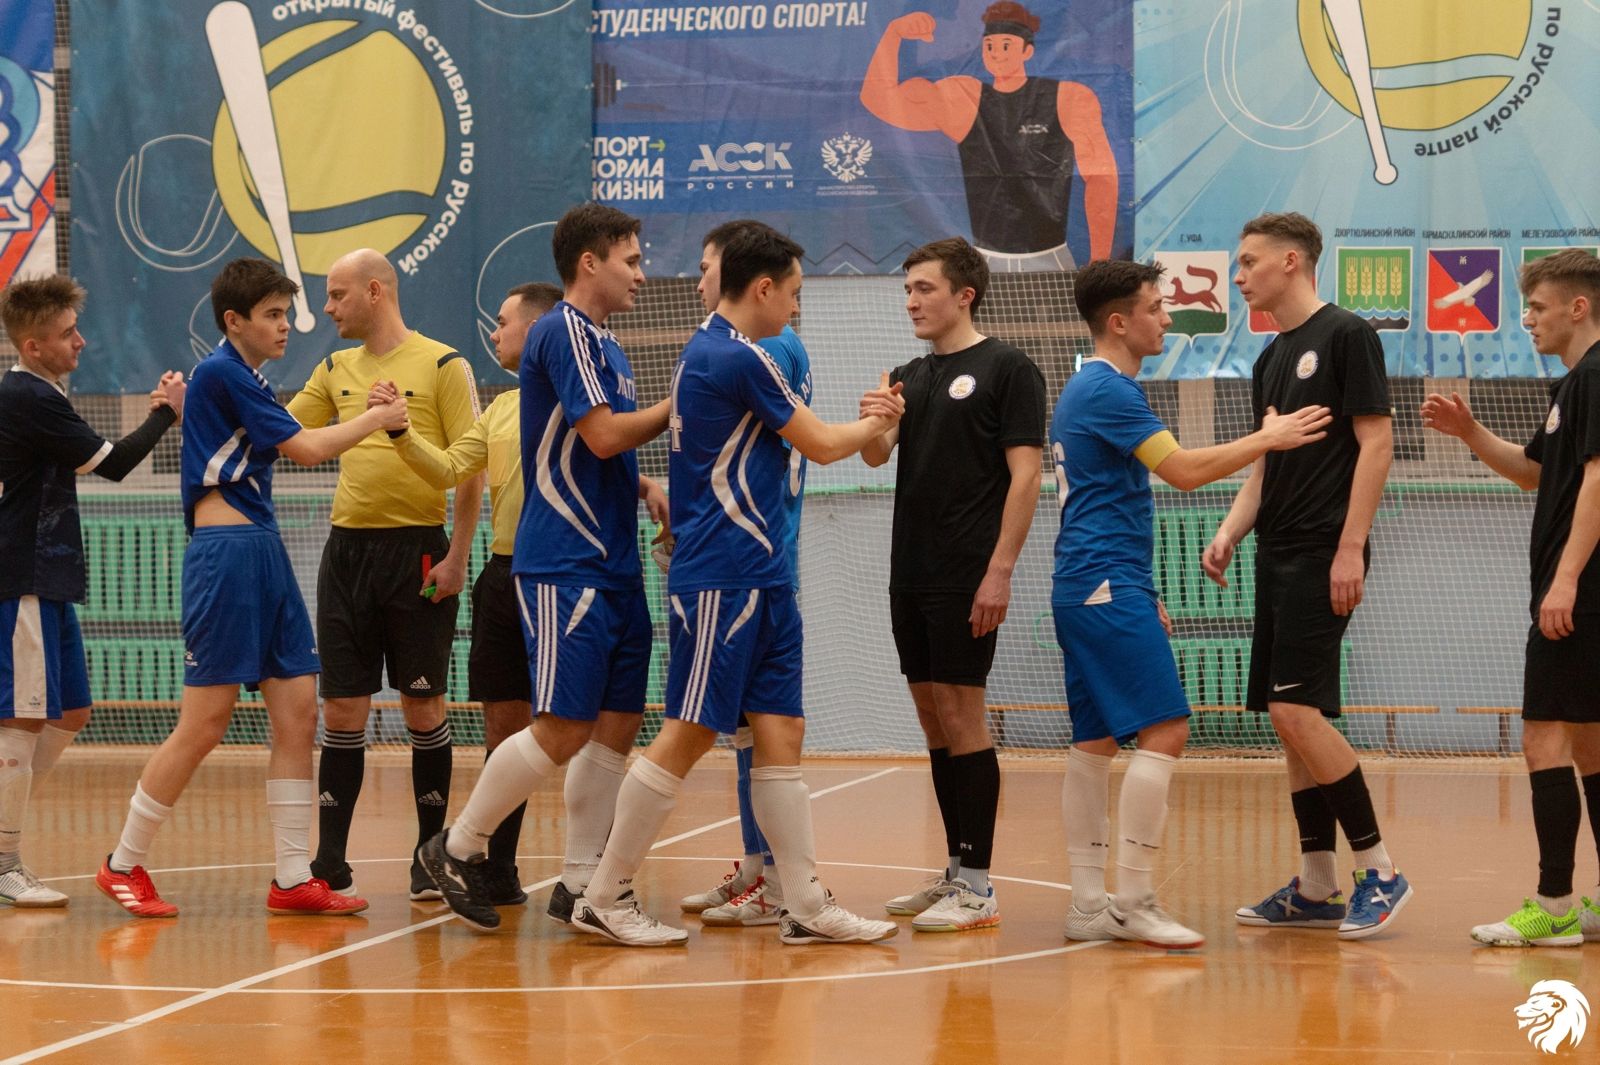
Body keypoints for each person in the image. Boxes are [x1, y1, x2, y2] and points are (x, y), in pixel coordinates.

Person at [542, 223, 902, 946]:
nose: (796, 308)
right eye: (793, 293)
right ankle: (603, 893)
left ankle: (803, 901)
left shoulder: (724, 353)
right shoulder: (732, 356)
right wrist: (879, 420)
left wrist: (870, 429)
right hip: (723, 576)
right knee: (689, 730)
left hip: (761, 575)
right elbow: (822, 445)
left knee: (781, 732)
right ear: (763, 288)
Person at [95, 258, 409, 917]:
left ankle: (292, 877)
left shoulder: (242, 379)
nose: (285, 325)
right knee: (205, 723)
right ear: (234, 321)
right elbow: (308, 449)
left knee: (297, 712)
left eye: (285, 313)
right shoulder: (222, 372)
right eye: (271, 314)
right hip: (227, 557)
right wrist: (378, 418)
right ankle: (122, 863)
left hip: (263, 550)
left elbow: (261, 434)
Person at [1053, 259, 1330, 949]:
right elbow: (1180, 471)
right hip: (1103, 582)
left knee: (1093, 742)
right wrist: (1268, 439)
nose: (1167, 318)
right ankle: (1134, 900)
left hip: (1091, 583)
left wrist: (1144, 591)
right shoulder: (1107, 389)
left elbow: (1110, 500)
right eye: (1155, 307)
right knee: (1167, 729)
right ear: (1120, 321)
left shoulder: (1090, 386)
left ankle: (1088, 904)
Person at [416, 203, 672, 931]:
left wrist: (644, 485)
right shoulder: (562, 329)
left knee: (617, 722)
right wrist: (678, 403)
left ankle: (585, 886)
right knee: (561, 724)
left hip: (614, 560)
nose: (641, 274)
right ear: (589, 262)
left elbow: (597, 450)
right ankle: (456, 846)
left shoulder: (608, 345)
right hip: (566, 560)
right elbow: (601, 435)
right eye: (630, 260)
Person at [1208, 212, 1411, 939]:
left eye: (1248, 261)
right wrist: (1230, 531)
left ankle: (1380, 870)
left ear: (1291, 261)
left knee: (1298, 712)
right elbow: (1265, 465)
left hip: (1326, 549)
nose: (1238, 275)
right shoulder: (1270, 357)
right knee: (1287, 718)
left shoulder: (1347, 333)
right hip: (1277, 551)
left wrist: (1350, 547)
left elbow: (1377, 442)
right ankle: (1316, 884)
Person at [286, 248, 484, 901]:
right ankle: (330, 861)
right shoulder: (333, 367)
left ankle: (429, 857)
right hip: (347, 554)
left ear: (376, 291)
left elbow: (469, 467)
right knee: (342, 705)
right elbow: (286, 431)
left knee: (422, 705)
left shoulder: (444, 364)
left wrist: (457, 555)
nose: (327, 308)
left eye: (337, 294)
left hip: (419, 553)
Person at [861, 235, 1046, 933]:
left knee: (964, 715)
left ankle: (978, 884)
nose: (912, 301)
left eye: (925, 289)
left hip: (968, 572)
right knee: (933, 718)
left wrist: (999, 570)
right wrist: (877, 418)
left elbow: (1027, 476)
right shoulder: (909, 374)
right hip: (909, 572)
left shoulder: (1009, 368)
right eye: (907, 290)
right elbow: (876, 456)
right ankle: (953, 869)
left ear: (965, 295)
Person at [1422, 249, 1600, 947]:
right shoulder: (1574, 385)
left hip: (1580, 593)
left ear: (1578, 307)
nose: (1527, 318)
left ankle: (1553, 904)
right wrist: (1469, 432)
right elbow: (1533, 472)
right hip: (1580, 592)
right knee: (1590, 743)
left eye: (1538, 306)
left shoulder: (1596, 376)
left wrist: (1566, 578)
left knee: (1542, 738)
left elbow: (1599, 479)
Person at [0, 275, 185, 908]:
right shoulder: (27, 395)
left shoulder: (42, 394)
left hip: (49, 576)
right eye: (66, 333)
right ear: (33, 346)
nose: (79, 341)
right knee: (22, 717)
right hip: (20, 577)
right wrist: (166, 411)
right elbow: (116, 463)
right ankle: (3, 862)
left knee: (71, 711)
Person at [374, 281, 560, 908]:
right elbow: (452, 468)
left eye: (503, 322)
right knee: (504, 735)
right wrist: (401, 432)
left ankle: (593, 875)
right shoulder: (502, 407)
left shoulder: (579, 401)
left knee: (574, 731)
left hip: (559, 578)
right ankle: (496, 869)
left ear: (537, 329)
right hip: (501, 580)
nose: (494, 333)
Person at [678, 220, 815, 928]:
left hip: (753, 557)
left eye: (707, 267)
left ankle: (772, 877)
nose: (701, 281)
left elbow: (809, 443)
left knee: (745, 730)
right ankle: (763, 871)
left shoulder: (765, 347)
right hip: (737, 556)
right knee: (747, 730)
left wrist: (875, 428)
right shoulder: (735, 348)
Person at [860, 2, 1118, 270]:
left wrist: (1100, 260)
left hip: (1050, 257)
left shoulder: (1069, 98)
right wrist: (893, 34)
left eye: (1006, 45)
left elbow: (1102, 177)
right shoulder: (963, 99)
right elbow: (878, 100)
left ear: (1027, 51)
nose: (996, 54)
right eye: (989, 46)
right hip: (985, 261)